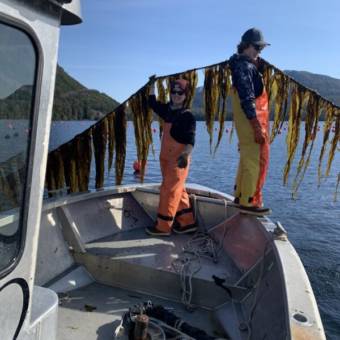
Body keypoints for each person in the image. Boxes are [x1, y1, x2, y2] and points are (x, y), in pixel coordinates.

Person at [228, 28, 271, 215]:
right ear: (246, 46)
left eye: (261, 48)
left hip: (246, 123)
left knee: (246, 159)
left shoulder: (242, 65)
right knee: (255, 161)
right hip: (251, 122)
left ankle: (240, 196)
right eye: (257, 47)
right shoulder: (244, 67)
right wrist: (256, 126)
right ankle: (249, 201)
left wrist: (257, 70)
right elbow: (247, 97)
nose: (259, 51)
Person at [145, 79, 197, 236]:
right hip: (165, 160)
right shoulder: (168, 110)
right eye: (173, 92)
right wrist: (152, 85)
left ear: (185, 95)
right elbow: (152, 103)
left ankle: (163, 227)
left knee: (168, 190)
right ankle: (187, 223)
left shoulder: (188, 117)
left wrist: (185, 155)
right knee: (178, 190)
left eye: (179, 93)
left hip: (179, 160)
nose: (176, 95)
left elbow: (190, 141)